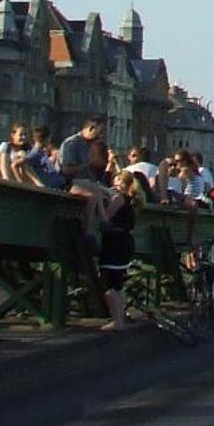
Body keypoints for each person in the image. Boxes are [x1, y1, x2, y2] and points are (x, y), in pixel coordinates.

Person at [95, 171, 144, 330]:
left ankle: (117, 320)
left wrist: (100, 203)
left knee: (108, 283)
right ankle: (120, 317)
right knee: (118, 283)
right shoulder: (131, 200)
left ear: (123, 184)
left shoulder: (118, 199)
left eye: (116, 183)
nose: (114, 186)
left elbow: (105, 218)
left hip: (115, 244)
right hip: (125, 243)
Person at [57, 118, 110, 189]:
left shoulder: (90, 145)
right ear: (91, 129)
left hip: (89, 182)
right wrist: (90, 164)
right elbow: (67, 170)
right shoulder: (71, 144)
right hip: (73, 183)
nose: (101, 136)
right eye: (100, 132)